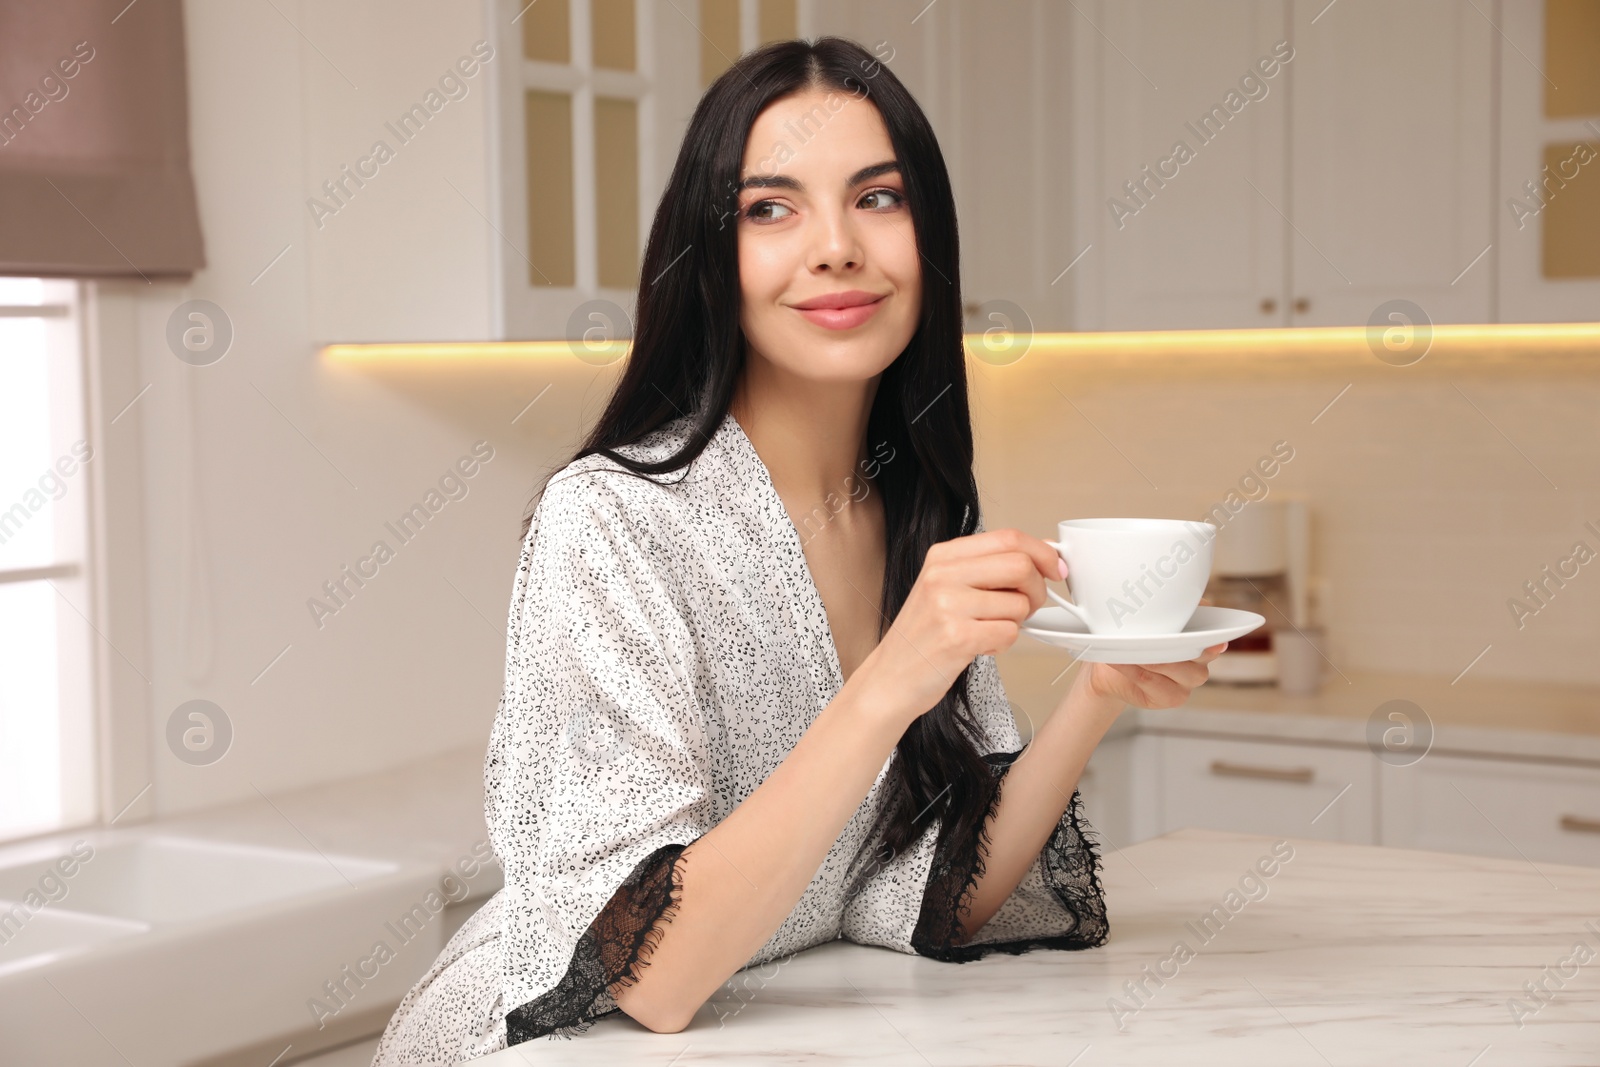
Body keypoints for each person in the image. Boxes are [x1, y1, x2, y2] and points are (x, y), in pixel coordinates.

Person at [371, 36, 1222, 1065]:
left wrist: (1101, 686)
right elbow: (649, 977)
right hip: (548, 1041)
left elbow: (929, 885)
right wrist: (883, 685)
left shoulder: (912, 502)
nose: (835, 247)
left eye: (877, 198)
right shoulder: (611, 518)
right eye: (770, 208)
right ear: (710, 253)